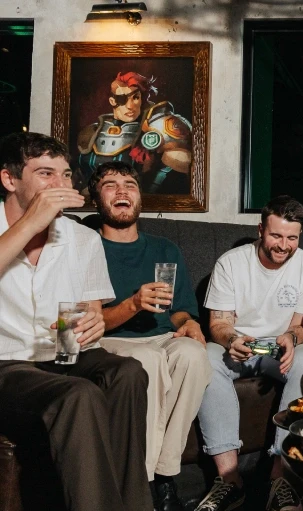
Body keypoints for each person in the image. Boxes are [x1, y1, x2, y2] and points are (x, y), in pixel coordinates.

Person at [0, 132, 151, 511]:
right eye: (46, 174)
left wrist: (96, 322)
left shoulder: (83, 239)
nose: (61, 185)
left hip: (63, 353)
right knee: (79, 395)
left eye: (66, 175)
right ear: (10, 180)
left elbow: (92, 310)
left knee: (129, 372)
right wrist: (29, 224)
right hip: (8, 362)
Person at [90, 160, 211, 511]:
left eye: (130, 184)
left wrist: (190, 324)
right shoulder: (87, 247)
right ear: (95, 198)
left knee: (192, 355)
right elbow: (90, 320)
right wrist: (132, 304)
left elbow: (180, 310)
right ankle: (144, 484)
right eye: (110, 184)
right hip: (111, 339)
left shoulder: (164, 250)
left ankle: (163, 471)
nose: (122, 190)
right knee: (148, 360)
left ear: (140, 198)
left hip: (160, 337)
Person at [194, 195, 303, 511]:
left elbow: (301, 327)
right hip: (239, 347)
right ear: (261, 229)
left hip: (277, 349)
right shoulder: (231, 262)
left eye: (292, 238)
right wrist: (231, 338)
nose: (283, 245)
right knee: (205, 354)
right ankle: (229, 481)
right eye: (276, 235)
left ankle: (281, 479)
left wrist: (291, 336)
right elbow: (218, 323)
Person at [77, 71, 192, 195]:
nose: (130, 106)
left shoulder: (158, 127)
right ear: (112, 101)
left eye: (135, 97)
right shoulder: (91, 132)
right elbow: (79, 177)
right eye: (122, 99)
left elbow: (184, 162)